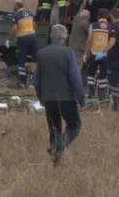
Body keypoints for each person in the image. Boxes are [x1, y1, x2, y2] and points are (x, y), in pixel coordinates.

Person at [32, 24, 85, 166]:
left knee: (54, 129)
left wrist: (40, 97)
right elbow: (75, 78)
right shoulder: (68, 53)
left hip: (48, 98)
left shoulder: (41, 53)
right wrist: (81, 98)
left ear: (51, 36)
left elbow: (36, 79)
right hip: (66, 98)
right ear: (65, 36)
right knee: (74, 125)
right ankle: (58, 147)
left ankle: (56, 162)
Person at [8, 0, 39, 86]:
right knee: (36, 58)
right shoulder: (29, 13)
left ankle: (22, 81)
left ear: (17, 6)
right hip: (33, 37)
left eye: (14, 5)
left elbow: (14, 28)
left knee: (21, 59)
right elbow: (35, 26)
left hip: (23, 38)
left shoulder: (16, 15)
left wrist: (9, 38)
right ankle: (36, 79)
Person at [84, 9, 111, 101]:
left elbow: (89, 40)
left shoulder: (93, 25)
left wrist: (86, 53)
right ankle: (103, 96)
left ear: (98, 16)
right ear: (107, 17)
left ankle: (91, 95)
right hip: (104, 54)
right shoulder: (110, 27)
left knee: (91, 74)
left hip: (94, 53)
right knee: (103, 75)